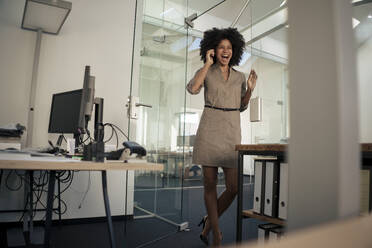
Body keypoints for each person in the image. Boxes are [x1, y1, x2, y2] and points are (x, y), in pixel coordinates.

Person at [186, 27, 257, 247]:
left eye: (229, 47)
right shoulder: (207, 70)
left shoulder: (240, 76)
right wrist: (207, 64)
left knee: (234, 187)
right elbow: (193, 88)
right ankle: (216, 233)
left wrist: (250, 90)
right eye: (221, 47)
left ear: (233, 51)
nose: (225, 51)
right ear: (213, 50)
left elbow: (242, 106)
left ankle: (208, 222)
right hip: (210, 128)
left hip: (231, 130)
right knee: (209, 184)